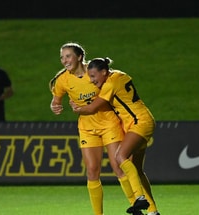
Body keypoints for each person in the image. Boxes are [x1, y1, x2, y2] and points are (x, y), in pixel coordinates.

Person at [49, 42, 136, 215]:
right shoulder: (63, 80)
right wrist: (55, 106)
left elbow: (111, 89)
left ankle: (137, 206)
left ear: (79, 57)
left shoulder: (94, 72)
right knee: (92, 171)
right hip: (87, 127)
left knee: (118, 166)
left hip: (108, 122)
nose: (64, 60)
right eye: (62, 57)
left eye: (68, 56)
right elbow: (56, 101)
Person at [70, 57, 160, 215]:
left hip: (139, 123)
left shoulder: (109, 85)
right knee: (137, 169)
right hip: (143, 120)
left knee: (120, 156)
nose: (91, 80)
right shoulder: (119, 75)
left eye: (93, 76)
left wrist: (78, 109)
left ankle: (139, 197)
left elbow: (92, 108)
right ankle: (153, 211)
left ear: (104, 72)